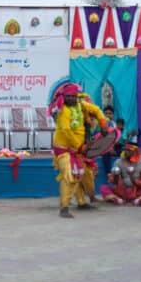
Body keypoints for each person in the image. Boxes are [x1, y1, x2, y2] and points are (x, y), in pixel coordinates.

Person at [51, 83, 109, 218]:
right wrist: (80, 147)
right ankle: (64, 207)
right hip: (64, 149)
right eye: (68, 97)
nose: (71, 99)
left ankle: (82, 202)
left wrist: (104, 124)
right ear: (64, 98)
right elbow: (66, 132)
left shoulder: (80, 105)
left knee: (84, 174)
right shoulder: (63, 111)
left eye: (74, 96)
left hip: (79, 148)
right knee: (69, 174)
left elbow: (96, 110)